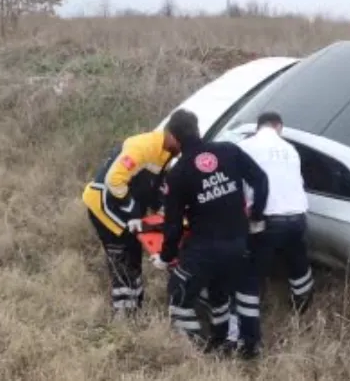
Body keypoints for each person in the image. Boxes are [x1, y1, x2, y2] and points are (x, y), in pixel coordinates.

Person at [150, 108, 269, 360]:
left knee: (178, 296)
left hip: (205, 249)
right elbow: (260, 179)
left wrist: (165, 257)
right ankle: (244, 346)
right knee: (226, 292)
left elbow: (172, 224)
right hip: (239, 240)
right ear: (198, 128)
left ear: (174, 137)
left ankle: (203, 352)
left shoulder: (179, 173)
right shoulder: (228, 150)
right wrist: (257, 217)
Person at [81, 126, 179, 317]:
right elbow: (115, 179)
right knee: (121, 257)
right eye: (181, 142)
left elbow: (154, 187)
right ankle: (123, 315)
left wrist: (164, 210)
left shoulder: (165, 153)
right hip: (105, 206)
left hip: (125, 208)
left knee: (134, 255)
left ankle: (135, 309)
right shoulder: (143, 147)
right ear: (171, 136)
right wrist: (133, 211)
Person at [236, 111, 314, 314]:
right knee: (298, 262)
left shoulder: (246, 147)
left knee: (254, 268)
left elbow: (240, 185)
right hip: (298, 216)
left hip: (267, 219)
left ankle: (249, 314)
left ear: (258, 127)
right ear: (278, 126)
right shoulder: (291, 149)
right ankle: (302, 307)